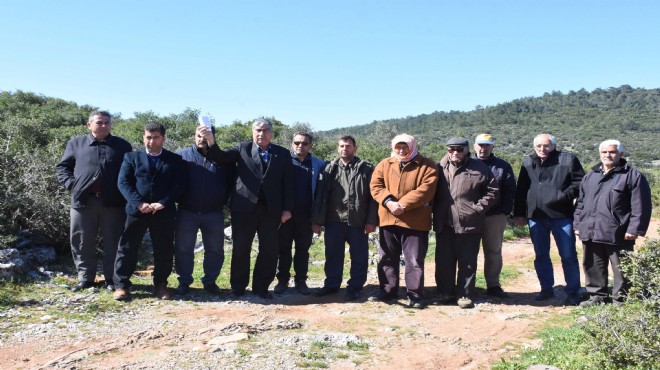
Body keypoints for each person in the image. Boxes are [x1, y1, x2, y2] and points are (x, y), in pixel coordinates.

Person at [205, 118, 294, 299]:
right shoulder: (242, 148)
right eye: (258, 130)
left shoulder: (283, 154)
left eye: (265, 130)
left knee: (269, 250)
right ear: (252, 132)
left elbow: (288, 183)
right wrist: (211, 141)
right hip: (244, 207)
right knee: (241, 249)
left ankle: (261, 287)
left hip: (271, 210)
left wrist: (287, 209)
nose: (261, 133)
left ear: (271, 133)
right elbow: (221, 157)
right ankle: (238, 287)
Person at [56, 110, 132, 292]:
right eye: (99, 122)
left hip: (113, 202)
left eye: (107, 122)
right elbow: (63, 167)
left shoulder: (122, 145)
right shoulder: (76, 143)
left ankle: (112, 279)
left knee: (113, 241)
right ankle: (85, 278)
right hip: (83, 202)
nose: (103, 125)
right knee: (82, 240)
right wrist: (72, 185)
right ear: (89, 125)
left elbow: (130, 171)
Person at [574, 140, 652, 307]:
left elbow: (641, 206)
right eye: (604, 152)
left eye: (612, 152)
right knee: (592, 265)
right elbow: (581, 202)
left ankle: (621, 300)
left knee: (621, 269)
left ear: (621, 154)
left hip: (618, 232)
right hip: (590, 229)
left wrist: (634, 229)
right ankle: (597, 297)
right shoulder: (591, 175)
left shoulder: (632, 176)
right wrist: (578, 224)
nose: (607, 155)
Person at [113, 122, 185, 301]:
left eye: (156, 137)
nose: (151, 141)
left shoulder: (174, 159)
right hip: (137, 211)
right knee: (127, 247)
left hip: (163, 212)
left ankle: (161, 284)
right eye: (148, 137)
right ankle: (121, 285)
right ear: (143, 137)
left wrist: (164, 203)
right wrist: (139, 203)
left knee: (164, 249)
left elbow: (179, 185)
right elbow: (123, 183)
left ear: (163, 138)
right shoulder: (131, 157)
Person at [513, 134, 584, 305]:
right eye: (538, 146)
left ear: (553, 145)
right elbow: (522, 188)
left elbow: (580, 182)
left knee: (568, 255)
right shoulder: (528, 161)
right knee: (541, 255)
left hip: (562, 216)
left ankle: (573, 290)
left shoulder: (568, 159)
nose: (542, 150)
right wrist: (520, 213)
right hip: (536, 217)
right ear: (534, 147)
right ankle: (546, 289)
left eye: (546, 146)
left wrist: (563, 196)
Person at [369, 134, 438, 308]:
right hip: (388, 218)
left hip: (415, 221)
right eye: (398, 147)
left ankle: (414, 295)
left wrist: (403, 205)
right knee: (386, 258)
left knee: (414, 260)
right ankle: (387, 292)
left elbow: (426, 189)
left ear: (412, 146)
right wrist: (389, 202)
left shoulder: (427, 165)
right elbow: (376, 186)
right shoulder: (384, 164)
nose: (401, 150)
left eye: (405, 147)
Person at [433, 137, 498, 309]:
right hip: (444, 222)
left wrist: (476, 209)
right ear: (447, 150)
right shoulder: (439, 167)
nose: (455, 152)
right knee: (444, 261)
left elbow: (492, 191)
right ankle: (444, 292)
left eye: (459, 149)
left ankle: (464, 294)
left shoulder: (480, 168)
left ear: (467, 150)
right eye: (451, 149)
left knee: (467, 261)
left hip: (470, 222)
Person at [311, 135, 378, 301]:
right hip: (333, 221)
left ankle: (355, 287)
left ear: (355, 148)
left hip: (358, 221)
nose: (344, 149)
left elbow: (373, 198)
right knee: (333, 255)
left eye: (348, 146)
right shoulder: (328, 169)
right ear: (337, 148)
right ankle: (332, 285)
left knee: (359, 257)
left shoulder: (367, 169)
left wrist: (371, 221)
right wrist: (317, 221)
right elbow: (320, 198)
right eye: (341, 146)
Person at [174, 125, 233, 296]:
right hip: (187, 211)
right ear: (194, 136)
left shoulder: (222, 158)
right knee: (184, 248)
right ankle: (184, 281)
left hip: (213, 212)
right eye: (198, 135)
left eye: (206, 135)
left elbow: (230, 183)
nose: (202, 139)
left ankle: (210, 281)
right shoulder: (182, 156)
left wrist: (223, 199)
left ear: (212, 137)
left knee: (215, 249)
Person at [274, 132, 326, 295]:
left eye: (304, 143)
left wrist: (318, 219)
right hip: (285, 215)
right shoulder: (282, 162)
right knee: (283, 249)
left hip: (307, 216)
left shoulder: (319, 165)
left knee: (302, 250)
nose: (300, 146)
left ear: (311, 145)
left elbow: (322, 194)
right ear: (291, 144)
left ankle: (301, 280)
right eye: (297, 142)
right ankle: (282, 280)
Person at [473, 134, 517, 299]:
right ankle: (467, 286)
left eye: (487, 145)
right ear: (474, 146)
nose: (483, 149)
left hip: (495, 216)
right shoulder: (467, 163)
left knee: (493, 252)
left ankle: (493, 285)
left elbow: (510, 190)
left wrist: (504, 211)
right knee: (469, 252)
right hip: (471, 216)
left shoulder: (502, 166)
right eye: (480, 145)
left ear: (492, 147)